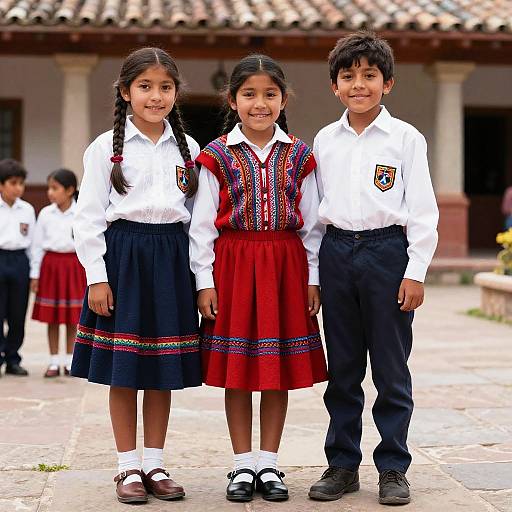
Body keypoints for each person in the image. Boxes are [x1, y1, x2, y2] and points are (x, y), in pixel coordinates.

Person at [189, 54, 328, 503]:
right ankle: (241, 464)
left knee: (275, 369)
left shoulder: (300, 155)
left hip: (285, 265)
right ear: (233, 99)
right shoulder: (215, 156)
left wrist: (313, 276)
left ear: (283, 99)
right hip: (233, 264)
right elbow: (202, 225)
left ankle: (269, 462)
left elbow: (311, 225)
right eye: (249, 94)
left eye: (270, 94)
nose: (260, 103)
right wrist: (204, 281)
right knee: (238, 370)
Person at [308, 31, 439, 505]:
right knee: (342, 368)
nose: (358, 84)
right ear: (334, 87)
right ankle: (342, 464)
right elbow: (312, 214)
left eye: (369, 75)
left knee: (389, 367)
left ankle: (392, 467)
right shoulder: (324, 141)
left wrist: (416, 269)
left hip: (388, 254)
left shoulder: (405, 139)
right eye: (348, 76)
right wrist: (313, 276)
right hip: (338, 253)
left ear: (388, 84)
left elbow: (423, 209)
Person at [70, 48, 202, 505]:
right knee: (124, 369)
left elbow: (195, 220)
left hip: (171, 259)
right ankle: (127, 466)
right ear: (126, 92)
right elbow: (87, 218)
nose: (156, 96)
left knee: (162, 367)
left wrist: (200, 278)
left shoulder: (191, 150)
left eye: (165, 87)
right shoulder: (105, 148)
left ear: (175, 93)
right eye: (145, 86)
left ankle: (155, 461)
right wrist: (97, 277)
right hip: (122, 258)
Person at [30, 169, 86, 378]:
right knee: (52, 317)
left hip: (74, 266)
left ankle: (70, 361)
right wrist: (35, 275)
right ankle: (54, 361)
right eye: (48, 188)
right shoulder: (45, 213)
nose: (50, 193)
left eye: (55, 188)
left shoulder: (81, 212)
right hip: (51, 266)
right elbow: (37, 246)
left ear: (70, 190)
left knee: (72, 317)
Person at [0, 158, 35, 377]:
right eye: (13, 183)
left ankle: (13, 358)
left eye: (21, 183)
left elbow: (33, 242)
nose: (18, 188)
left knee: (17, 314)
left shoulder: (28, 210)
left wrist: (34, 273)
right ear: (1, 185)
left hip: (20, 261)